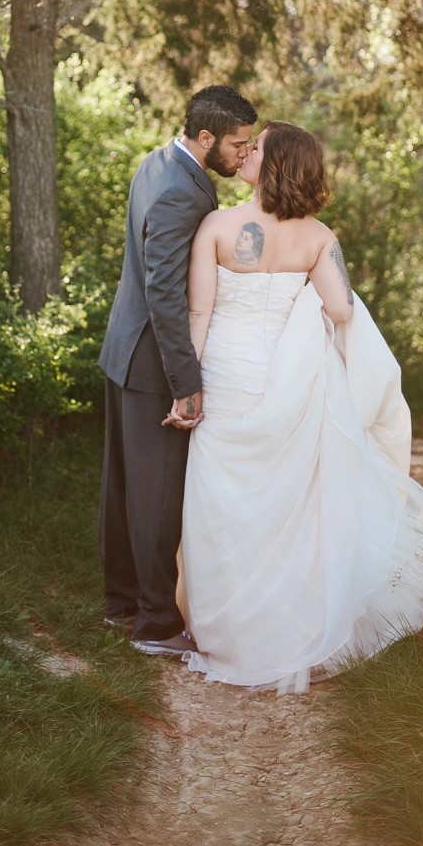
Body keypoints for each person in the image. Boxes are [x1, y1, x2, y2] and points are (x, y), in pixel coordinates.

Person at [174, 121, 423, 693]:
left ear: (276, 161)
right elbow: (339, 310)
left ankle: (228, 631)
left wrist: (187, 389)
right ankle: (288, 626)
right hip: (287, 384)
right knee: (286, 500)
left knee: (224, 503)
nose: (246, 152)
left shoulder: (216, 226)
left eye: (256, 147)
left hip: (226, 378)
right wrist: (298, 314)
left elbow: (198, 317)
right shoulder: (318, 238)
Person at [98, 84, 258, 656]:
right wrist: (186, 383)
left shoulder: (157, 163)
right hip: (151, 360)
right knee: (156, 495)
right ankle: (157, 625)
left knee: (125, 488)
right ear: (207, 137)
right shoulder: (179, 192)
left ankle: (122, 602)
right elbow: (165, 292)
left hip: (125, 347)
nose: (244, 153)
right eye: (238, 144)